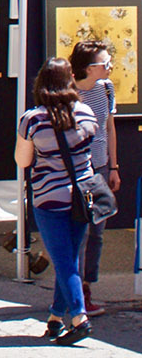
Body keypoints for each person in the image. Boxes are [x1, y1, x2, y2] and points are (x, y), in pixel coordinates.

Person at [16, 58, 99, 345]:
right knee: (70, 257)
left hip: (49, 197)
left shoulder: (33, 119)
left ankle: (79, 316)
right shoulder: (87, 113)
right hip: (83, 195)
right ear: (71, 80)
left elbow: (22, 160)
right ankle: (55, 316)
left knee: (64, 261)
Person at [68, 40, 122, 316]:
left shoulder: (106, 88)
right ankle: (73, 290)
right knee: (78, 230)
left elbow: (109, 128)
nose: (110, 65)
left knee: (97, 230)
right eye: (105, 62)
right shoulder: (68, 93)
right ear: (89, 68)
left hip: (99, 168)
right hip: (76, 170)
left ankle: (88, 285)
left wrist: (113, 166)